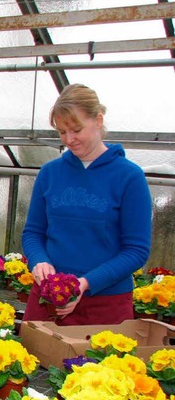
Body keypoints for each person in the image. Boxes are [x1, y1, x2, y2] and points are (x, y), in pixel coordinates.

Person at [21, 84, 152, 325]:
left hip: (105, 305)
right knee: (33, 360)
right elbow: (33, 232)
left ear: (98, 120)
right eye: (61, 132)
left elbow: (136, 250)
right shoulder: (50, 173)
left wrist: (85, 284)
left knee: (100, 363)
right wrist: (39, 260)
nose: (69, 140)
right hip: (48, 301)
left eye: (76, 130)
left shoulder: (129, 177)